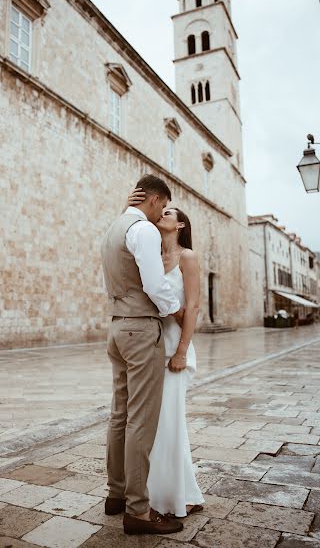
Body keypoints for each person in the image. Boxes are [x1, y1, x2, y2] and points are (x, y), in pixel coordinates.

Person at [101, 174, 185, 536]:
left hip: (117, 327)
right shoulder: (146, 230)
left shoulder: (114, 228)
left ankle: (116, 494)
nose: (161, 214)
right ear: (152, 201)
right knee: (141, 418)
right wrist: (176, 307)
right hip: (140, 329)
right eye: (162, 207)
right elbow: (154, 283)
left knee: (120, 413)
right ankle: (138, 510)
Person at [128, 187, 205, 518]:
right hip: (154, 347)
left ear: (181, 226)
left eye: (170, 213)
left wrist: (182, 351)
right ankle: (175, 493)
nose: (164, 214)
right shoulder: (154, 257)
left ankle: (175, 497)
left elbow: (195, 306)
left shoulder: (187, 257)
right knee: (159, 425)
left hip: (177, 347)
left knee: (171, 422)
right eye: (163, 211)